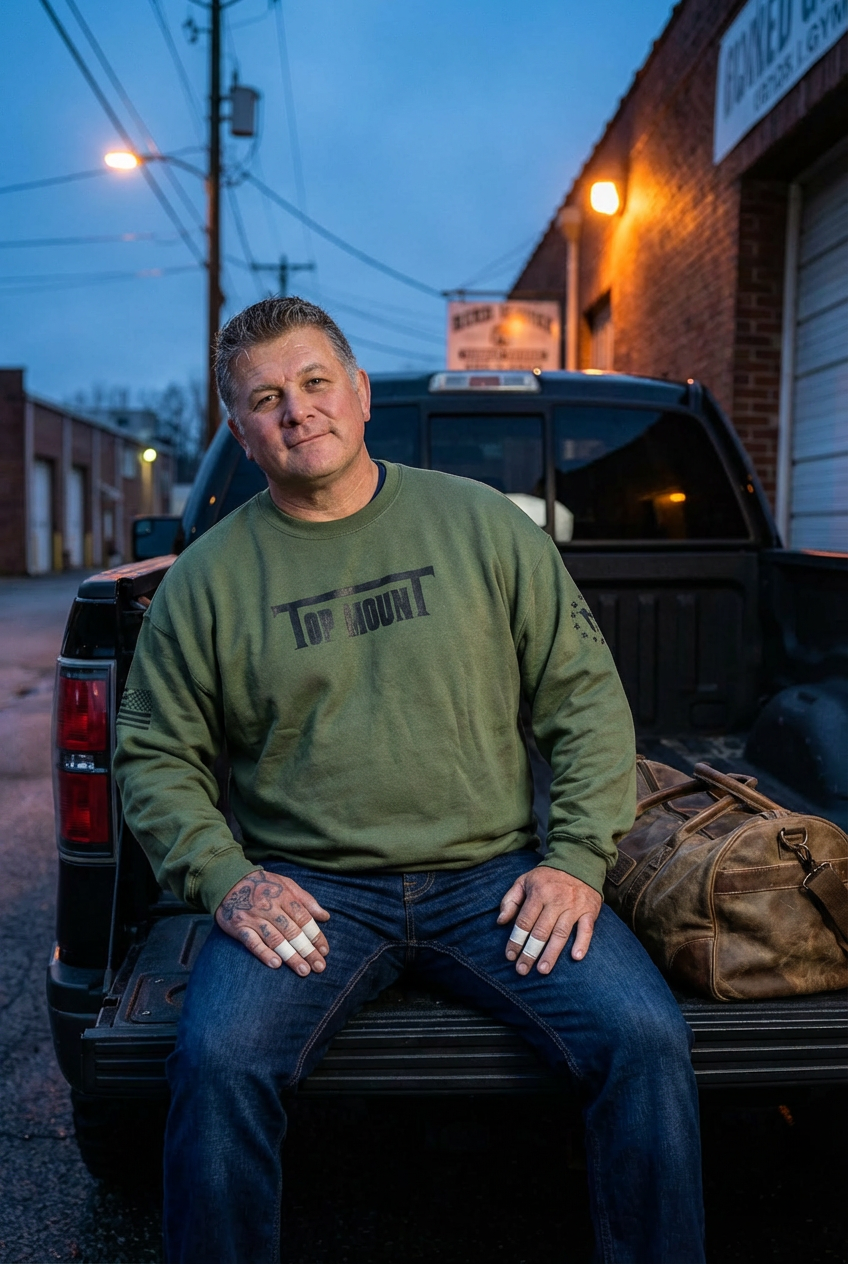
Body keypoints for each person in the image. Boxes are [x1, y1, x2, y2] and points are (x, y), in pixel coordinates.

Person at [113, 297, 705, 1264]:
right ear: (240, 433)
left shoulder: (480, 525)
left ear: (357, 393)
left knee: (643, 1039)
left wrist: (577, 862)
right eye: (266, 399)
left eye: (313, 383)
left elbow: (585, 700)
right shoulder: (206, 580)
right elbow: (155, 756)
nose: (296, 410)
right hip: (314, 894)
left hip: (494, 880)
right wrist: (227, 880)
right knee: (216, 1063)